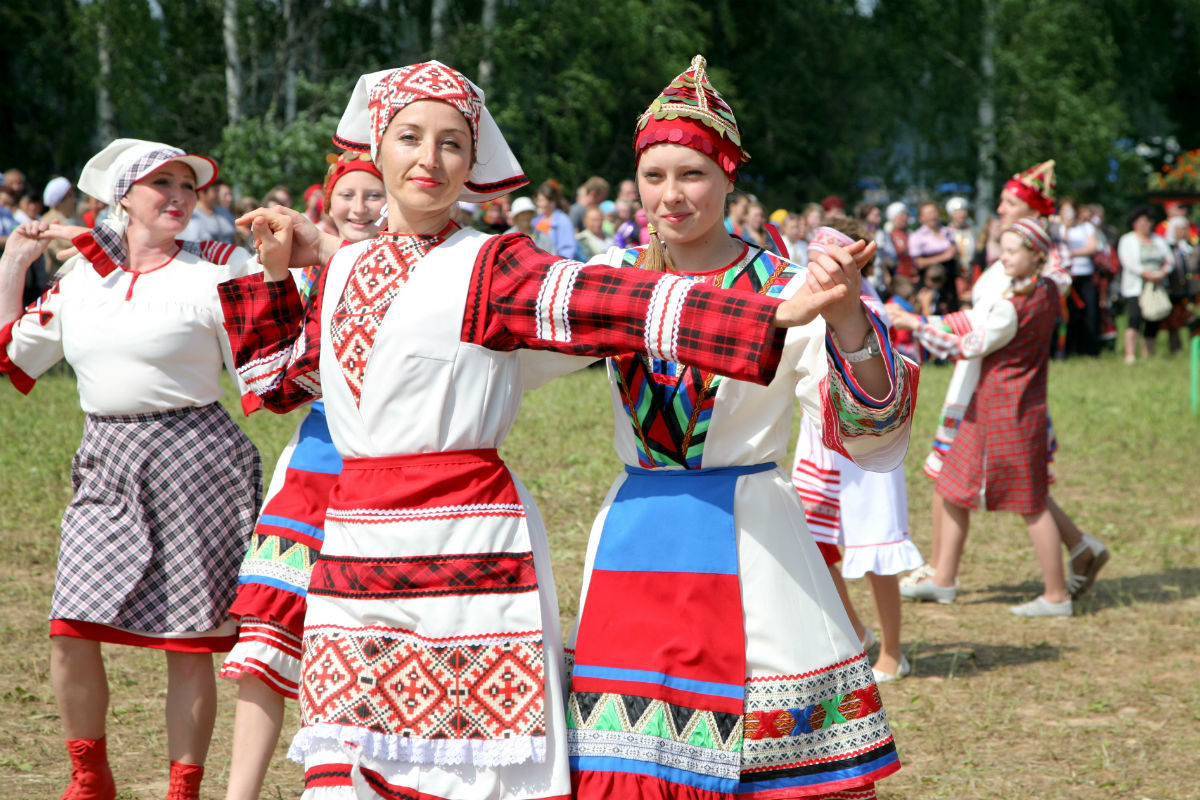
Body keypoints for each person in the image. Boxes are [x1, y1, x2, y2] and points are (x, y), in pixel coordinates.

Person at [219, 61, 854, 800]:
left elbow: (613, 302)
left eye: (452, 143)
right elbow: (275, 381)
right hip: (356, 548)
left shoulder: (496, 264)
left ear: (474, 160)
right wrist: (278, 272)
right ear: (375, 150)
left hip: (463, 546)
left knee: (470, 775)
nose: (430, 159)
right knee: (349, 769)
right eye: (411, 138)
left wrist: (764, 314)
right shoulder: (347, 267)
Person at [565, 56, 913, 800]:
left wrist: (847, 313)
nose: (670, 195)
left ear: (728, 178)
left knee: (778, 758)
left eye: (691, 174)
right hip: (639, 534)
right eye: (654, 176)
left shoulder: (788, 286)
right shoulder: (612, 278)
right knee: (630, 758)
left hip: (755, 538)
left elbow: (869, 431)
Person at [0, 138, 263, 800]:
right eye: (161, 185)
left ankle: (183, 788)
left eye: (188, 186)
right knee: (69, 627)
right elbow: (14, 356)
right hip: (107, 459)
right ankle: (89, 776)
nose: (179, 197)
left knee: (188, 638)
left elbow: (276, 357)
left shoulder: (214, 272)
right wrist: (12, 264)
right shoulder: (81, 280)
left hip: (196, 458)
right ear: (122, 199)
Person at [220, 148, 386, 800]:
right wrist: (273, 275)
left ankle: (355, 782)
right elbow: (271, 383)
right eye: (348, 195)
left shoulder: (424, 273)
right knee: (269, 631)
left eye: (374, 195)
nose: (360, 207)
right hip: (316, 460)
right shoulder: (304, 278)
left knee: (368, 637)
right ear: (326, 203)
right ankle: (240, 794)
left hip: (392, 466)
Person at [900, 160, 1108, 606]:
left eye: (1010, 202)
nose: (1000, 208)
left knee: (1006, 488)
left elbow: (979, 331)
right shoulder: (1032, 278)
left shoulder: (1027, 287)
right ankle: (1078, 551)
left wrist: (916, 323)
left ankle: (954, 575)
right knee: (1013, 485)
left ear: (1033, 222)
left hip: (997, 391)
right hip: (1000, 388)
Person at [890, 218, 1072, 616]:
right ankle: (943, 579)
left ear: (1036, 255)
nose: (1002, 257)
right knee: (953, 487)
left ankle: (1056, 596)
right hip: (1018, 405)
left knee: (1031, 502)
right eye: (1001, 249)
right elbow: (976, 321)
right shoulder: (1046, 290)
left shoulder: (1012, 305)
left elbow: (967, 345)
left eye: (1011, 251)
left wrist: (914, 324)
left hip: (999, 411)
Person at [792, 223, 923, 685]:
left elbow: (877, 381)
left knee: (872, 548)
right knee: (812, 541)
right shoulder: (803, 306)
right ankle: (857, 631)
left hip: (864, 446)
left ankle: (893, 649)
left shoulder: (867, 311)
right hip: (818, 441)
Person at [1118, 204, 1173, 363]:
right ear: (1134, 223)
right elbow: (1129, 262)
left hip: (1156, 285)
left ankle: (1148, 354)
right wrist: (1146, 274)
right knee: (1135, 317)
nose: (1145, 224)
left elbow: (1170, 260)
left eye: (1147, 221)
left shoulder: (1158, 240)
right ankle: (1130, 355)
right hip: (1136, 286)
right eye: (1141, 221)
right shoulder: (1127, 239)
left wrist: (1161, 273)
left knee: (1153, 319)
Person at [1058, 197, 1101, 356]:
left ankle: (1090, 349)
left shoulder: (1086, 228)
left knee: (1089, 313)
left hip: (1085, 275)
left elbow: (1092, 247)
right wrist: (1067, 229)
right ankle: (1069, 349)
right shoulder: (1059, 229)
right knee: (1069, 315)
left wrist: (1071, 253)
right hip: (1067, 278)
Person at [533, 179, 575, 257]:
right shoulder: (535, 221)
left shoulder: (563, 221)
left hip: (556, 264)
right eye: (538, 200)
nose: (538, 204)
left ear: (552, 201)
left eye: (541, 200)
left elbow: (568, 250)